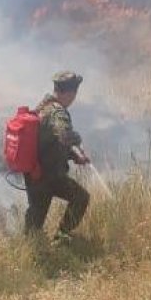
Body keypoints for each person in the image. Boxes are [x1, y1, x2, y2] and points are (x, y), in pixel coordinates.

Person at [24, 71, 91, 244]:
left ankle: (28, 249)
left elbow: (52, 141)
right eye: (74, 93)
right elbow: (64, 136)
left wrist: (74, 156)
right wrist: (77, 140)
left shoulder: (43, 106)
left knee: (35, 218)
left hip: (34, 172)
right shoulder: (58, 112)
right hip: (50, 176)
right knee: (81, 198)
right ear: (70, 93)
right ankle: (61, 239)